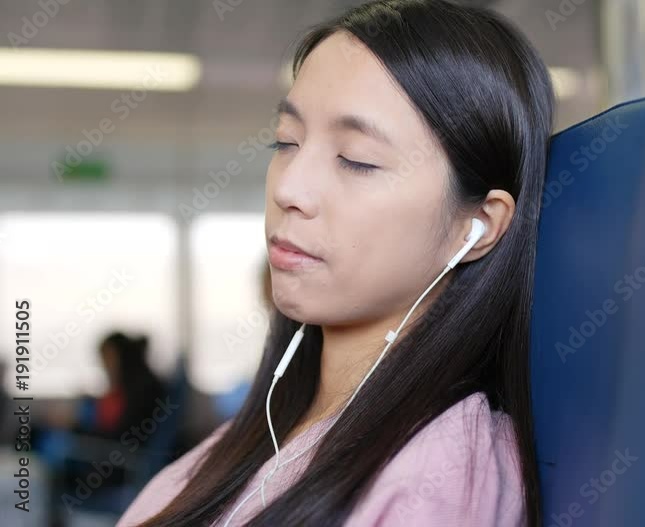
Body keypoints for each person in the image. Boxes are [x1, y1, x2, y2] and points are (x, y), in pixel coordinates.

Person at [118, 0, 554, 525]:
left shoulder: (438, 474)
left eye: (357, 159)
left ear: (477, 227)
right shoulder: (260, 436)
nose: (289, 187)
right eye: (286, 141)